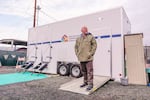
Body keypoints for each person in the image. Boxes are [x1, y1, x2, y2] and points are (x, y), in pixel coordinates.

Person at [75, 26, 97, 91]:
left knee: (89, 71)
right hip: (81, 58)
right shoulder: (78, 38)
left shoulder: (91, 37)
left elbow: (94, 45)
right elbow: (76, 47)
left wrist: (91, 53)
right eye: (83, 30)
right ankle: (85, 82)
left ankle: (90, 84)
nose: (85, 31)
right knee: (84, 71)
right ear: (81, 30)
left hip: (88, 58)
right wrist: (77, 54)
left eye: (86, 30)